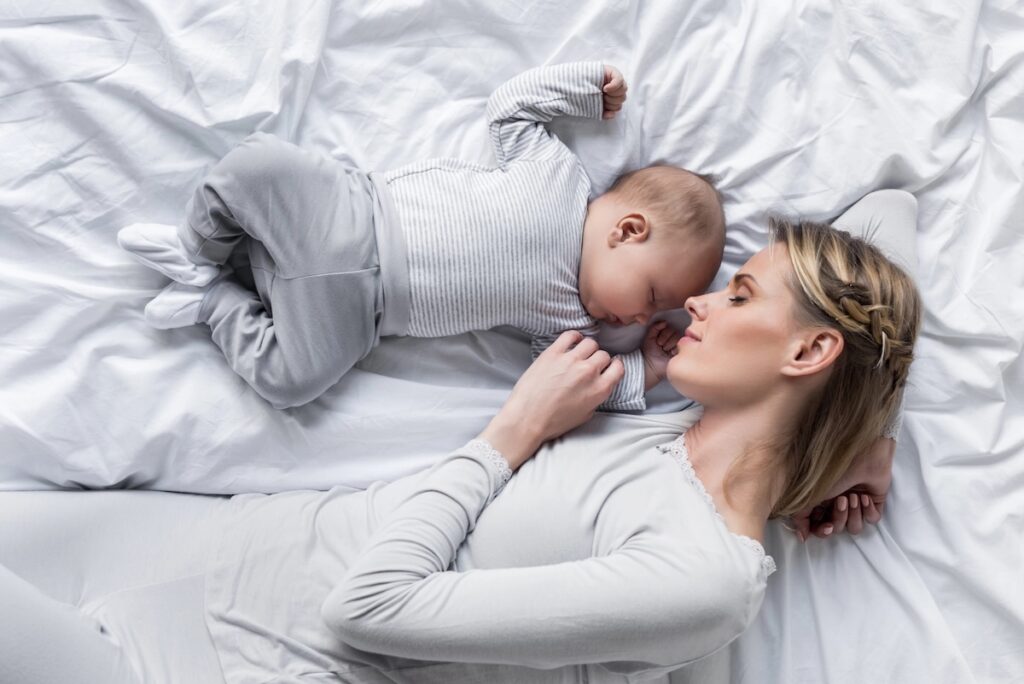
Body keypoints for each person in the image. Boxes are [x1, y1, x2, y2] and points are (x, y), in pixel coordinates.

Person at [0, 191, 920, 683]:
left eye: (741, 295)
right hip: (209, 544)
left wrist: (513, 430)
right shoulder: (678, 420)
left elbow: (367, 611)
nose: (701, 301)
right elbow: (890, 217)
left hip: (220, 666)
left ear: (808, 349)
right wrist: (863, 439)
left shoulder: (705, 576)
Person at [116, 62, 725, 411]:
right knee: (257, 165)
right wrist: (586, 91)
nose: (641, 316)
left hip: (357, 317)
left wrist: (645, 367)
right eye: (649, 294)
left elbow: (587, 385)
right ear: (628, 230)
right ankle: (199, 250)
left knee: (291, 382)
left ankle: (212, 301)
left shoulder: (570, 322)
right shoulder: (558, 175)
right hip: (349, 215)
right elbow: (510, 107)